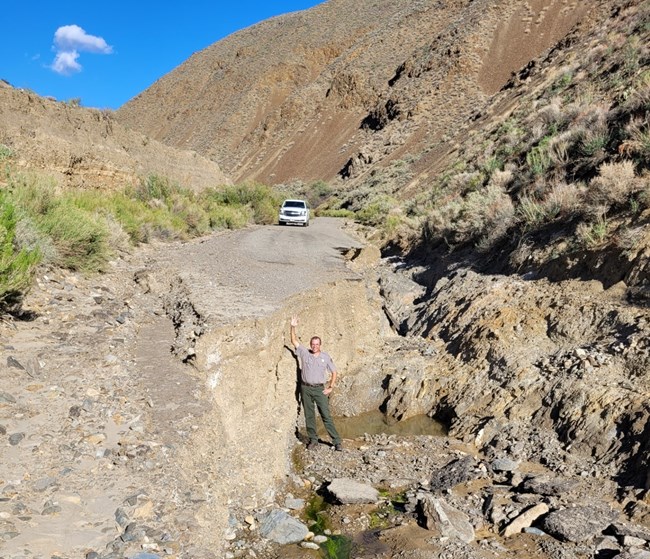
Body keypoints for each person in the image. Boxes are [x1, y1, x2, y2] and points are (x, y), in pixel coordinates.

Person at [290, 315, 343, 451]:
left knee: (326, 415)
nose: (314, 346)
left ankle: (336, 441)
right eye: (313, 344)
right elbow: (294, 341)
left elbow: (334, 372)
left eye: (317, 344)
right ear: (310, 345)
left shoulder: (325, 357)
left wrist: (331, 387)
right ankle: (313, 440)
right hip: (306, 388)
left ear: (320, 345)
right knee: (309, 415)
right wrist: (293, 327)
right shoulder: (304, 353)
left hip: (320, 389)